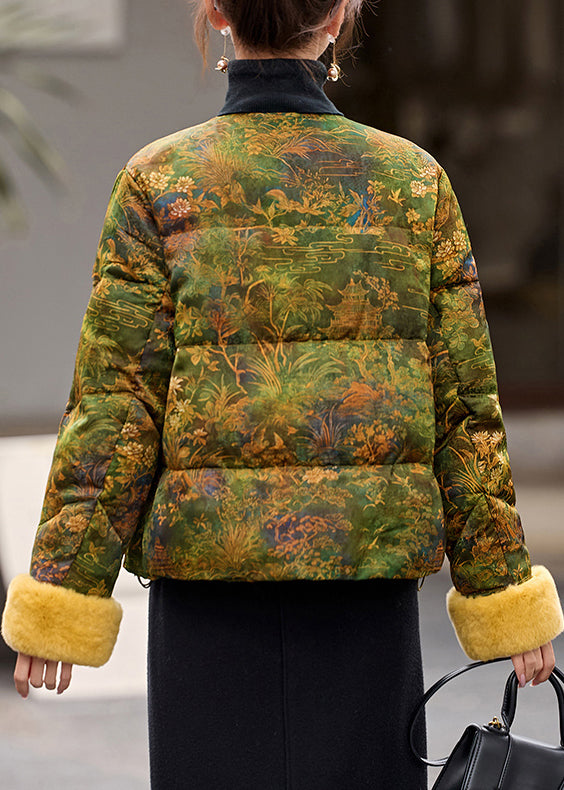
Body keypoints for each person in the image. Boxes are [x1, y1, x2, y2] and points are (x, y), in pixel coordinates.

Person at [2, 0, 563, 787]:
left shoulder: (159, 181)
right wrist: (502, 588)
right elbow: (464, 413)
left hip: (208, 604)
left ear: (216, 13)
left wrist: (64, 589)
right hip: (364, 596)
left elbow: (116, 405)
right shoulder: (413, 184)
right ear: (338, 16)